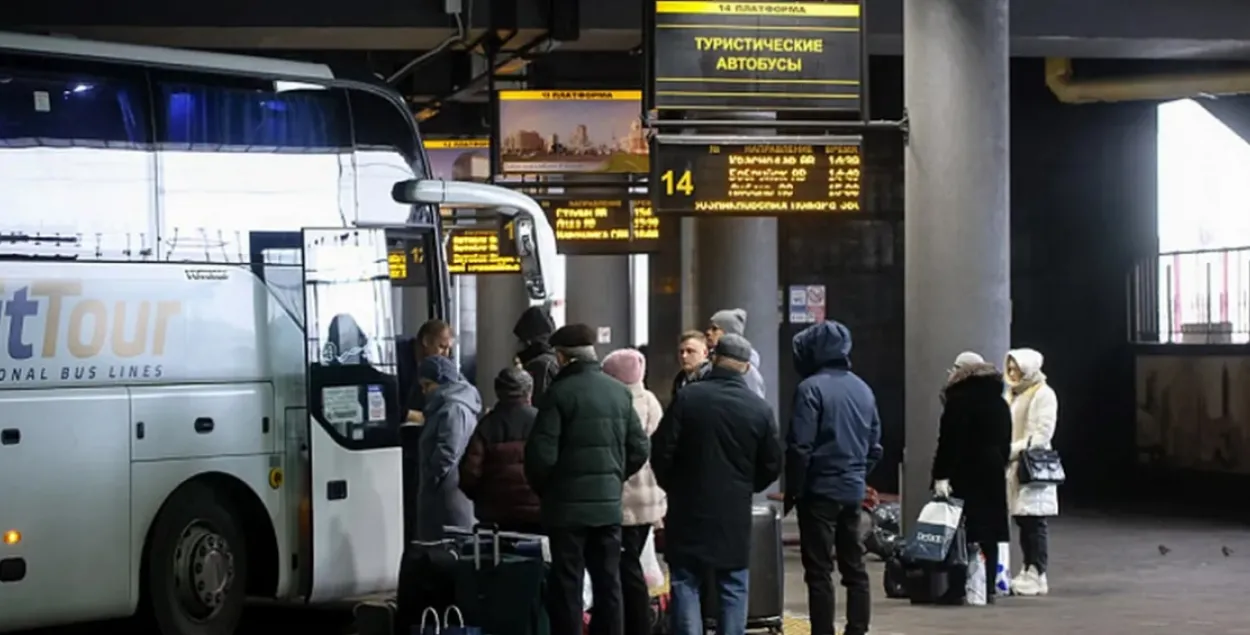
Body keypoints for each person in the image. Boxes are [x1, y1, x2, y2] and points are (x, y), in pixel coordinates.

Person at [651, 334, 782, 635]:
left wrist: (673, 485)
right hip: (733, 510)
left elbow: (661, 450)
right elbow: (772, 465)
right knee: (733, 583)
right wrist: (745, 486)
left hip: (687, 508)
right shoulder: (758, 409)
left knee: (686, 581)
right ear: (746, 368)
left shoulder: (688, 398)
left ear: (713, 358)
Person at [524, 324, 651, 635]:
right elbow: (640, 447)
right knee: (609, 581)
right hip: (608, 509)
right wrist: (613, 477)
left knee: (568, 583)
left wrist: (551, 490)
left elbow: (540, 457)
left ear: (562, 356)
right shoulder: (619, 392)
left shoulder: (558, 394)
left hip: (566, 512)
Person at [784, 321, 880, 635]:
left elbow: (800, 446)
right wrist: (858, 474)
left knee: (819, 570)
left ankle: (823, 631)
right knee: (855, 568)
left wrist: (794, 490)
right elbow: (875, 445)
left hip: (819, 491)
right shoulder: (863, 389)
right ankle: (857, 629)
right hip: (852, 490)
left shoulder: (810, 388)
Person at [932, 351, 1011, 604]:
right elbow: (1005, 442)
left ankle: (958, 587)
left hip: (964, 471)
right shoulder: (999, 401)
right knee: (989, 531)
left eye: (954, 367)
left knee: (960, 530)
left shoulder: (959, 400)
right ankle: (986, 588)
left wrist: (941, 476)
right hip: (993, 470)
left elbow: (949, 443)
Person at [602, 348, 667, 635]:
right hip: (648, 496)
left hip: (626, 495)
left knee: (625, 566)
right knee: (632, 562)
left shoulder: (617, 402)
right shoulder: (650, 400)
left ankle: (636, 624)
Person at [459, 367, 542, 534]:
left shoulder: (486, 425)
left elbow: (469, 474)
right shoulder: (542, 421)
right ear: (529, 392)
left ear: (498, 392)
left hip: (495, 516)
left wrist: (483, 498)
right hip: (538, 513)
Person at [1004, 348, 1059, 596]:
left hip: (1032, 468)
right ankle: (1027, 569)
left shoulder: (1043, 394)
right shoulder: (1013, 394)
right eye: (1010, 368)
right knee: (1023, 521)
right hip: (1015, 467)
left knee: (1034, 521)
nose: (1012, 373)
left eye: (1016, 368)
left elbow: (1041, 435)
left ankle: (1038, 572)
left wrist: (1010, 450)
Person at [414, 354, 482, 540]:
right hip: (446, 492)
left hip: (447, 495)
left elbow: (447, 451)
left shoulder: (453, 409)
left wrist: (431, 477)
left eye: (427, 385)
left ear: (442, 381)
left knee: (447, 548)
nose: (424, 391)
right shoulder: (450, 406)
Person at [706, 308, 765, 398]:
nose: (708, 333)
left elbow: (756, 401)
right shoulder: (709, 359)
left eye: (714, 329)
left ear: (729, 332)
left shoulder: (748, 369)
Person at [405, 319, 456, 424]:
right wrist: (408, 414)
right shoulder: (397, 358)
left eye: (449, 349)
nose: (445, 354)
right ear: (426, 341)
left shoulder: (444, 365)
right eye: (442, 347)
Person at [513, 305, 560, 401]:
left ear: (528, 341)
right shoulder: (554, 359)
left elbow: (535, 403)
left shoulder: (539, 365)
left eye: (520, 339)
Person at [670, 330, 710, 400]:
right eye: (681, 352)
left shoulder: (712, 377)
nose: (684, 356)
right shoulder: (679, 380)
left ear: (705, 353)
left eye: (690, 351)